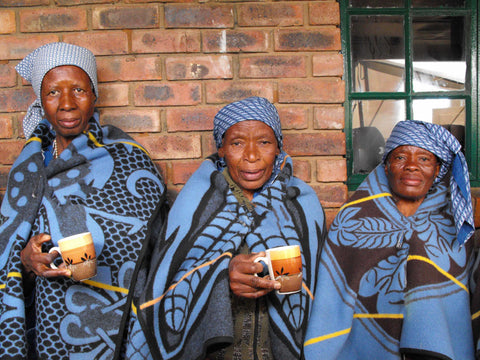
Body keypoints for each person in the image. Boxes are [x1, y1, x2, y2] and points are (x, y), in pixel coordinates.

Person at [122, 97, 326, 359]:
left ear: (278, 147)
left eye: (264, 142)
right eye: (237, 143)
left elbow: (322, 293)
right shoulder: (195, 203)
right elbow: (166, 284)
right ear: (221, 149)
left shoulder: (303, 204)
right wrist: (222, 274)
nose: (251, 156)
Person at [0, 42, 168, 359]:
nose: (66, 104)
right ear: (40, 99)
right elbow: (7, 250)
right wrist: (26, 260)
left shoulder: (129, 159)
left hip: (117, 330)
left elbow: (157, 246)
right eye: (53, 93)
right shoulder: (28, 168)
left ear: (94, 96)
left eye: (78, 90)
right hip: (43, 329)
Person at [304, 120, 475, 360]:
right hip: (363, 349)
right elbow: (332, 296)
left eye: (424, 159)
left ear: (438, 170)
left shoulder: (455, 225)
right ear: (386, 167)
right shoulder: (353, 219)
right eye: (400, 158)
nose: (412, 167)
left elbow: (464, 297)